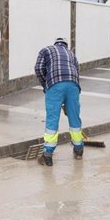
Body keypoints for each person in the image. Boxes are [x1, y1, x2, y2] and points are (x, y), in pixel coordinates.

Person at [34, 37, 84, 166]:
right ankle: (78, 149)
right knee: (74, 117)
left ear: (55, 44)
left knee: (52, 118)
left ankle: (48, 154)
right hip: (73, 85)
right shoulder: (71, 53)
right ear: (66, 45)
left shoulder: (46, 50)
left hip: (55, 85)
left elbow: (39, 68)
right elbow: (77, 71)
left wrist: (46, 84)